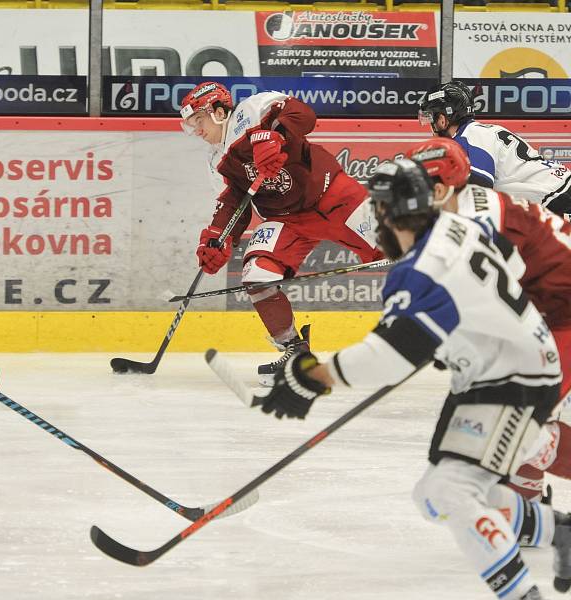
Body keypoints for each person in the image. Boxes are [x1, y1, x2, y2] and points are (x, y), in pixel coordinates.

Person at [255, 158, 569, 599]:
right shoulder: (450, 232)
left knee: (452, 492)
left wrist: (313, 376)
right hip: (494, 370)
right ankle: (562, 531)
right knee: (433, 495)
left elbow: (388, 357)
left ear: (385, 212)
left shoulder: (424, 265)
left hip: (512, 377)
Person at [403, 137, 571, 508]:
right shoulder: (462, 212)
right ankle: (527, 500)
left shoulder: (475, 220)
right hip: (553, 311)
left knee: (517, 421)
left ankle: (526, 498)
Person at [180, 81, 382, 385]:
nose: (197, 130)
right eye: (191, 124)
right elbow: (233, 205)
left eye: (199, 120)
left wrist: (273, 136)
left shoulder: (254, 109)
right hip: (287, 221)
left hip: (334, 197)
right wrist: (217, 238)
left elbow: (304, 115)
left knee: (403, 249)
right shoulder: (215, 161)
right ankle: (295, 352)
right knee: (257, 273)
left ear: (219, 111)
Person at [417, 80, 571, 217]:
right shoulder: (480, 131)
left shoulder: (469, 137)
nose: (430, 128)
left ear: (442, 120)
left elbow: (479, 190)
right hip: (557, 194)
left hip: (561, 199)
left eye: (431, 118)